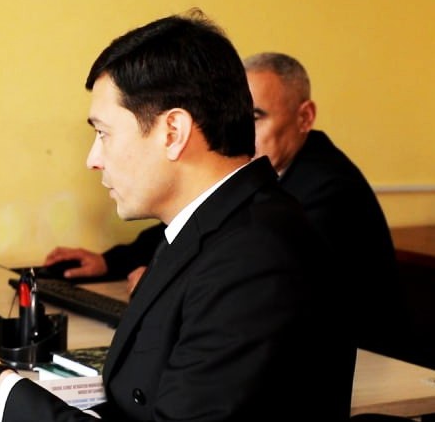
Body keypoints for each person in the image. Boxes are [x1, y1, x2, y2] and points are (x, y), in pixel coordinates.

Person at [0, 12, 356, 422]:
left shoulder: (255, 258)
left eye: (104, 133)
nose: (93, 158)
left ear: (173, 131)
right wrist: (3, 401)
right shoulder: (212, 226)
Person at [43, 52, 403, 356]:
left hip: (375, 359)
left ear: (305, 117)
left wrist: (166, 283)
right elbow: (194, 226)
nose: (241, 129)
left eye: (256, 117)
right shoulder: (258, 180)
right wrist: (110, 261)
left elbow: (254, 275)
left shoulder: (329, 189)